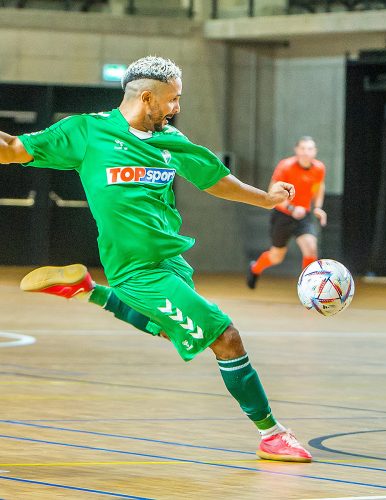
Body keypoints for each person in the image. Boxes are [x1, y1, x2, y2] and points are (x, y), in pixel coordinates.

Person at [0, 56, 312, 462]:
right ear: (146, 97)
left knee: (174, 332)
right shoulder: (87, 131)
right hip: (135, 270)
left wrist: (267, 199)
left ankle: (87, 291)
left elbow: (216, 180)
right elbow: (11, 149)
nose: (176, 108)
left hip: (173, 263)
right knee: (225, 336)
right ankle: (272, 435)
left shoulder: (171, 142)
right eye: (173, 100)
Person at [247, 136, 327, 289]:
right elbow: (273, 192)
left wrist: (317, 207)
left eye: (309, 149)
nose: (306, 152)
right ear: (296, 150)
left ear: (315, 151)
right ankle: (255, 268)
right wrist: (291, 208)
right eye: (302, 148)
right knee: (276, 256)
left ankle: (308, 288)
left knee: (311, 248)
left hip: (304, 216)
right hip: (283, 215)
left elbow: (318, 188)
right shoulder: (286, 166)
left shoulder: (319, 168)